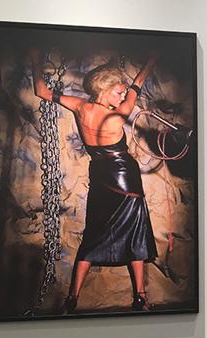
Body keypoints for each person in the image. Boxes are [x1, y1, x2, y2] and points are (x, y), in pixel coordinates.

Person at [30, 49, 159, 313]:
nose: (122, 96)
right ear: (104, 89)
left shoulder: (79, 106)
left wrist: (33, 59)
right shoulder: (120, 113)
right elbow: (138, 83)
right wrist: (151, 61)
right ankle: (141, 297)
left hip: (100, 176)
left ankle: (72, 298)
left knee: (93, 234)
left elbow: (41, 91)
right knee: (134, 232)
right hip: (125, 178)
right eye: (118, 92)